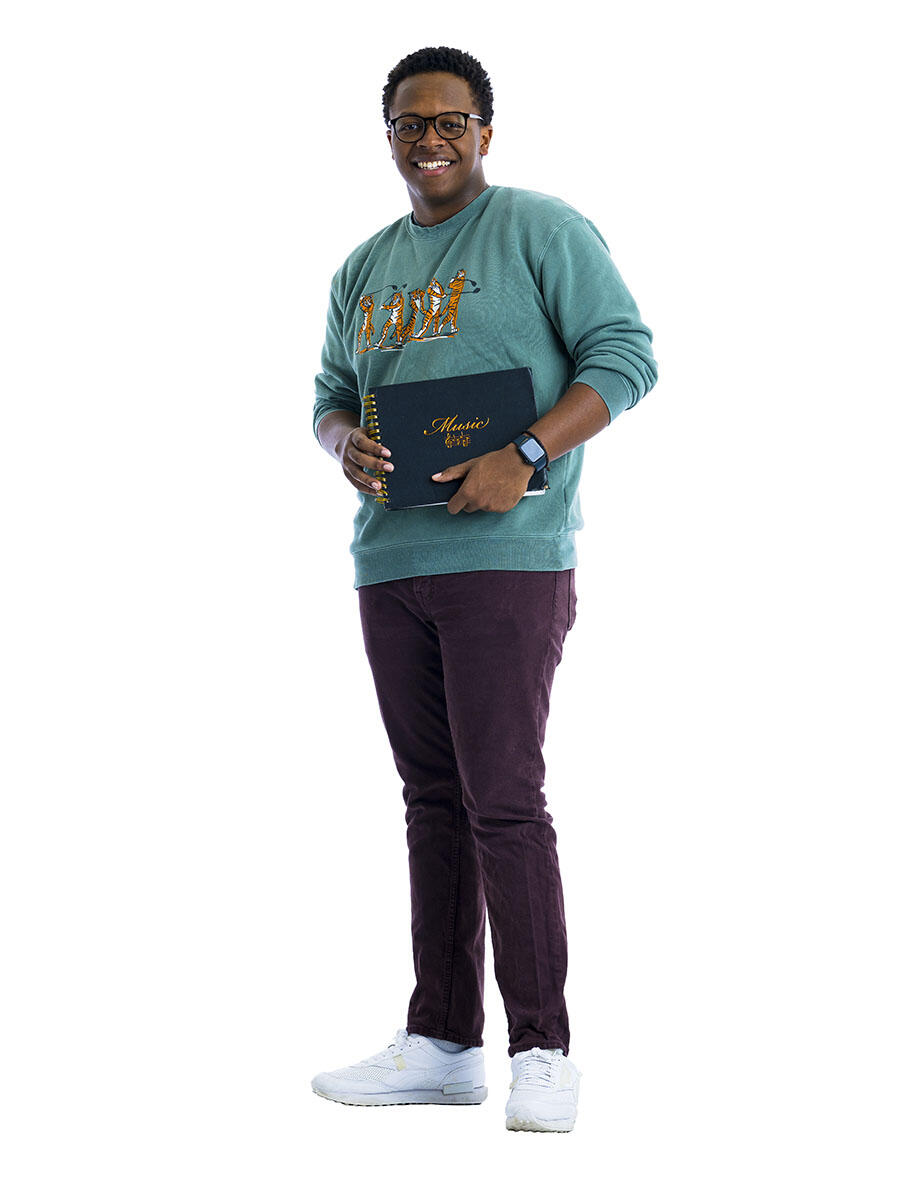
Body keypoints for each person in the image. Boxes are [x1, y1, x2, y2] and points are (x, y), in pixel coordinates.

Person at [310, 46, 657, 1133]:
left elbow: (626, 356)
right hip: (392, 561)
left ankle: (543, 1048)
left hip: (507, 562)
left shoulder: (543, 231)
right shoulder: (361, 269)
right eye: (412, 123)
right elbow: (327, 393)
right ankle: (445, 1042)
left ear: (486, 133)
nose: (431, 139)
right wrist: (342, 442)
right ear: (391, 139)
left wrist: (531, 453)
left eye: (451, 120)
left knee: (505, 798)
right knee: (433, 803)